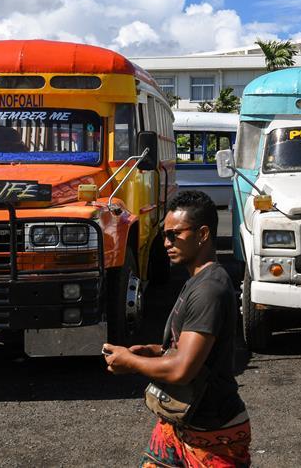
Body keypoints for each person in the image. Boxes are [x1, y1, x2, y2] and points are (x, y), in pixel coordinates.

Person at [104, 191, 250, 467]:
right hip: (178, 424)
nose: (166, 243)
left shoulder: (209, 289)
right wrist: (154, 351)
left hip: (214, 434)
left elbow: (182, 369)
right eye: (164, 235)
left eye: (175, 235)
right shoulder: (196, 280)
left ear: (203, 234)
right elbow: (190, 347)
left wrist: (131, 362)